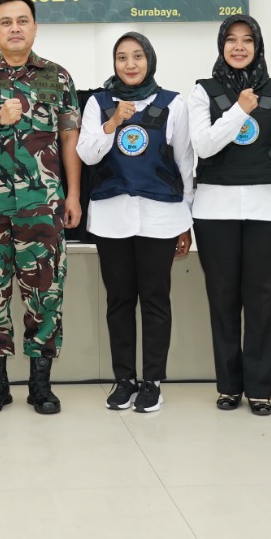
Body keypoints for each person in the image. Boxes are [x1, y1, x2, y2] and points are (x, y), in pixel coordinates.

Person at [0, 0, 82, 415]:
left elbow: (69, 137)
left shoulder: (56, 77)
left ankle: (41, 385)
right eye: (6, 22)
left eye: (22, 20)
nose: (15, 28)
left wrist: (73, 194)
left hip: (43, 203)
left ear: (35, 27)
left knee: (45, 291)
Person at [189, 16, 271, 416]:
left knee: (262, 301)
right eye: (231, 40)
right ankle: (228, 387)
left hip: (269, 209)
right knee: (222, 300)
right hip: (213, 210)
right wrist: (239, 110)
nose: (239, 47)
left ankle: (259, 389)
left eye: (247, 40)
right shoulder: (202, 91)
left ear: (258, 46)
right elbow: (203, 146)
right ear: (221, 45)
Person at [77, 32, 193, 414]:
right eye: (122, 57)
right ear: (114, 63)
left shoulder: (172, 103)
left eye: (137, 56)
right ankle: (124, 379)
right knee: (119, 301)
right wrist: (113, 122)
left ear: (150, 60)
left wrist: (186, 219)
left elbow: (185, 163)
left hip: (161, 217)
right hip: (111, 218)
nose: (130, 64)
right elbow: (87, 155)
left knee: (155, 300)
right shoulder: (98, 103)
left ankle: (152, 381)